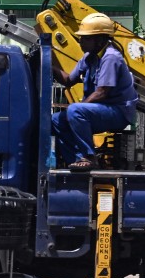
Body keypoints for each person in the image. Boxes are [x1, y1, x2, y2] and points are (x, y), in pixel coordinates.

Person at [51, 13, 139, 172]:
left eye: (86, 38)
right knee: (56, 120)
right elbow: (68, 80)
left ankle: (89, 157)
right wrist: (48, 65)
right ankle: (77, 161)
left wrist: (77, 109)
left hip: (118, 112)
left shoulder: (111, 58)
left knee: (74, 111)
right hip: (101, 110)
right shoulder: (88, 57)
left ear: (100, 40)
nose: (81, 42)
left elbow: (102, 92)